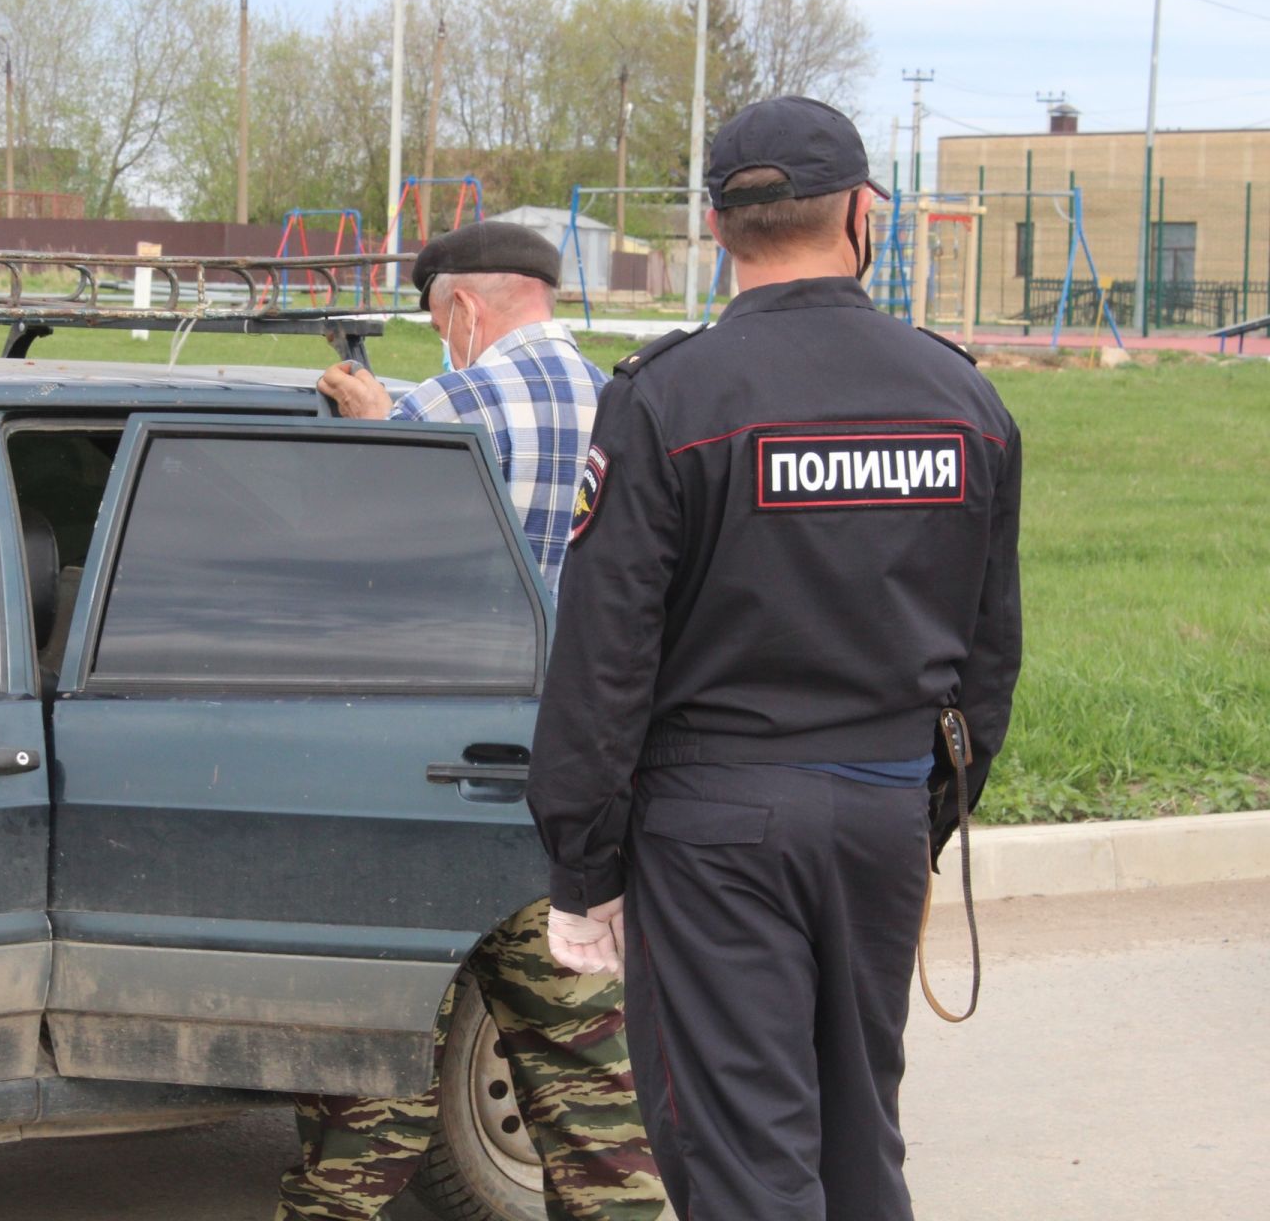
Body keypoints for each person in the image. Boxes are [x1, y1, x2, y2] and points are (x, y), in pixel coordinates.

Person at [525, 96, 1023, 1220]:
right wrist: (927, 811)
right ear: (866, 216)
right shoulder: (963, 398)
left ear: (715, 226)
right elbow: (989, 655)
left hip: (716, 825)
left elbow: (605, 657)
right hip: (882, 809)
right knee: (858, 1144)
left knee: (745, 1157)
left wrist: (582, 863)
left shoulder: (668, 398)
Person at [278, 222, 666, 1221]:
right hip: (576, 786)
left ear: (462, 308)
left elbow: (354, 561)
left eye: (437, 321)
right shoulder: (633, 407)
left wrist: (374, 422)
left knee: (377, 1062)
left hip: (434, 771)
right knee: (591, 1090)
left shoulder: (445, 408)